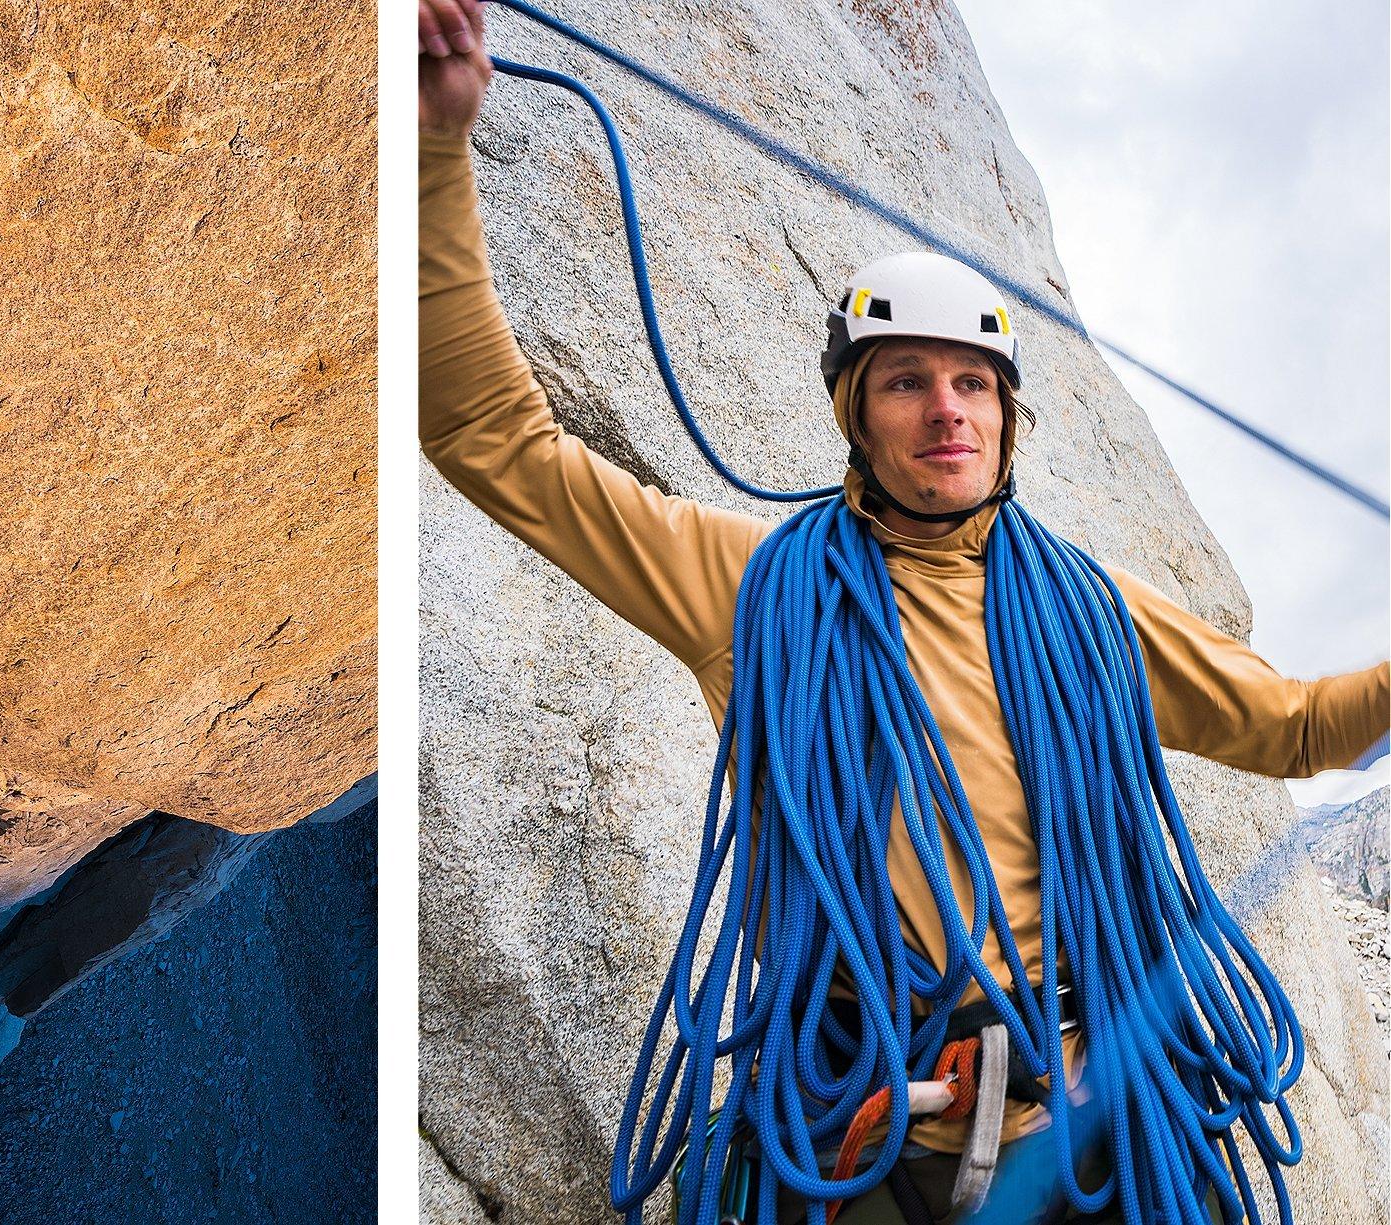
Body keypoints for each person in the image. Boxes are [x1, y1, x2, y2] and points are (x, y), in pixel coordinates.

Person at [418, 5, 1389, 1221]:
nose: (947, 410)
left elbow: (1296, 726)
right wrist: (434, 153)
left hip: (1087, 1109)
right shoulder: (751, 584)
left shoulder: (1082, 612)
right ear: (855, 417)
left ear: (1007, 418)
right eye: (906, 381)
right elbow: (489, 441)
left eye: (973, 383)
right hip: (868, 1120)